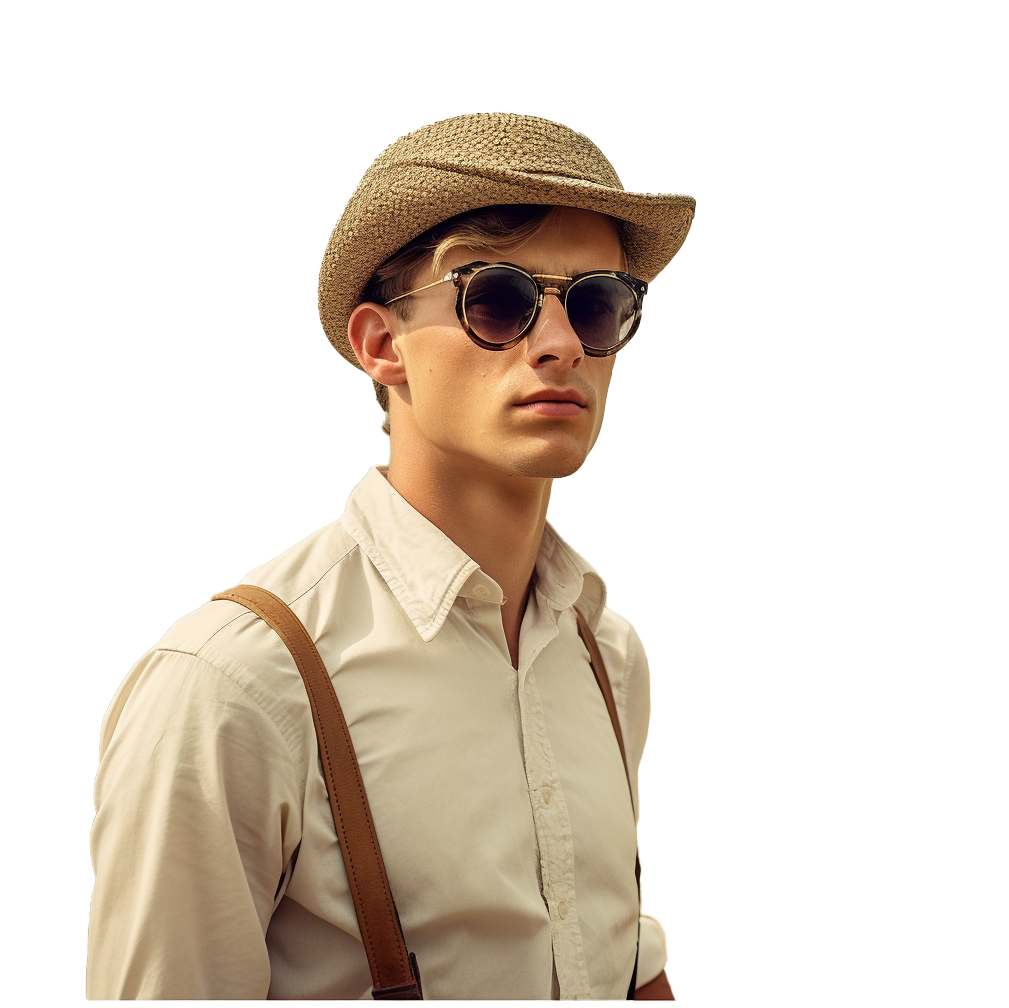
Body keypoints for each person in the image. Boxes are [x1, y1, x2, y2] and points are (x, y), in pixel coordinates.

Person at [86, 112, 695, 999]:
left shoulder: (607, 658)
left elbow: (617, 962)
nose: (564, 342)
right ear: (381, 345)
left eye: (598, 303)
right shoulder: (234, 690)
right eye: (498, 299)